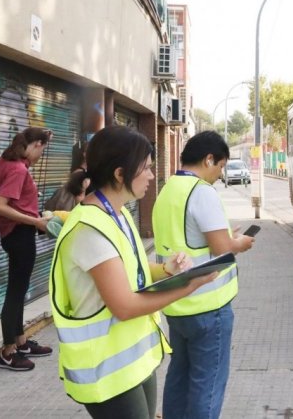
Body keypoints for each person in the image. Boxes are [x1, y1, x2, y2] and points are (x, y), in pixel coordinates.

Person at [49, 125, 219, 418]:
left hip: (133, 363)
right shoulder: (90, 228)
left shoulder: (119, 213)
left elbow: (132, 272)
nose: (153, 177)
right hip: (107, 372)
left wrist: (166, 270)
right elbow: (125, 305)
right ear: (119, 174)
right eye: (147, 169)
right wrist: (187, 286)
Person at [152, 131, 255, 419]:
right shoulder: (202, 191)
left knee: (179, 377)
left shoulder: (167, 189)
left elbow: (193, 241)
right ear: (209, 159)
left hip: (177, 304)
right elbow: (222, 248)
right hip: (209, 308)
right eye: (220, 166)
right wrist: (240, 243)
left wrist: (226, 237)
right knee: (207, 384)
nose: (220, 174)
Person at [0, 127, 54, 371]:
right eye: (43, 148)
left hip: (15, 234)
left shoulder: (6, 162)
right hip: (19, 235)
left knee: (19, 288)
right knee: (16, 292)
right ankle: (8, 352)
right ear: (36, 144)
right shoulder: (17, 169)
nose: (41, 155)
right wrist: (36, 221)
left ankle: (20, 342)